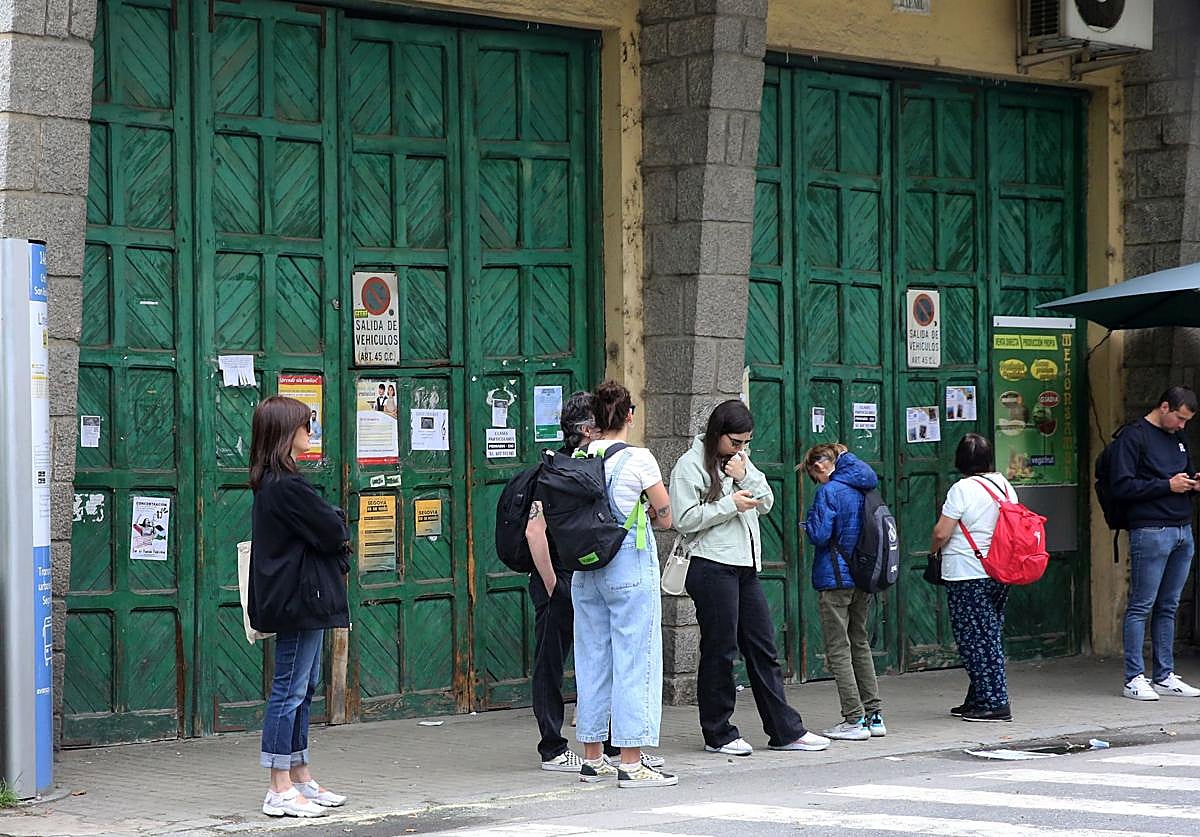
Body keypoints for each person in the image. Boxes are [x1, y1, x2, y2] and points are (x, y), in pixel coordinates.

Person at [669, 400, 829, 756]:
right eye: (735, 442)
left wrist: (745, 475)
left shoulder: (741, 461)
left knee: (763, 647)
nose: (740, 448)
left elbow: (767, 501)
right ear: (717, 434)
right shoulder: (689, 465)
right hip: (710, 565)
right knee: (720, 650)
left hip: (744, 565)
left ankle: (786, 730)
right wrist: (730, 505)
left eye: (746, 442)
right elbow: (683, 518)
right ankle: (718, 733)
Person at [247, 396, 351, 817]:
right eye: (306, 426)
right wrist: (335, 521)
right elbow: (332, 528)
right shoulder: (285, 485)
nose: (312, 433)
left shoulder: (279, 481)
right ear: (286, 433)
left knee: (302, 690)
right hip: (298, 600)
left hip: (301, 599)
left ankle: (300, 774)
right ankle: (278, 786)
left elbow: (327, 526)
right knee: (289, 691)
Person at [571, 380, 677, 787]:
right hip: (628, 568)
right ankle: (631, 760)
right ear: (629, 416)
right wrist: (647, 512)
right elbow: (665, 515)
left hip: (586, 570)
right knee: (636, 659)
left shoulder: (582, 455)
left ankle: (593, 758)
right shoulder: (640, 459)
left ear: (595, 419)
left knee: (593, 660)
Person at [524, 392, 617, 772]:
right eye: (599, 426)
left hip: (584, 574)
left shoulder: (593, 467)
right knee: (551, 661)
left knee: (597, 658)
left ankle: (608, 743)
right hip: (560, 578)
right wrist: (552, 586)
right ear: (584, 430)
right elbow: (534, 532)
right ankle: (553, 747)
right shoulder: (554, 473)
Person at [1110, 386, 1200, 700]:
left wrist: (1192, 482)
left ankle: (1164, 675)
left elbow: (1183, 476)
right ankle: (1134, 677)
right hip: (1150, 529)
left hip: (1182, 530)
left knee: (1169, 605)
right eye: (1179, 417)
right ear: (1164, 406)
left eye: (1186, 421)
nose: (1182, 425)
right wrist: (1167, 485)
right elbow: (1121, 486)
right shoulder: (1133, 437)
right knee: (1141, 605)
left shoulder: (1177, 437)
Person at [927, 433, 1017, 722]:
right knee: (988, 635)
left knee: (975, 640)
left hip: (967, 573)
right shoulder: (1004, 485)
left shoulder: (962, 488)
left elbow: (943, 531)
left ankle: (995, 702)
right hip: (999, 570)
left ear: (960, 460)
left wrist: (933, 552)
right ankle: (979, 697)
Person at [801, 442, 885, 741]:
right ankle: (874, 715)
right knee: (859, 643)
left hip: (834, 578)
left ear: (819, 466)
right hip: (863, 577)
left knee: (838, 648)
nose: (816, 480)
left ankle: (853, 719)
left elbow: (821, 534)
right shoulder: (865, 488)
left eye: (814, 474)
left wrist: (808, 524)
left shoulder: (829, 491)